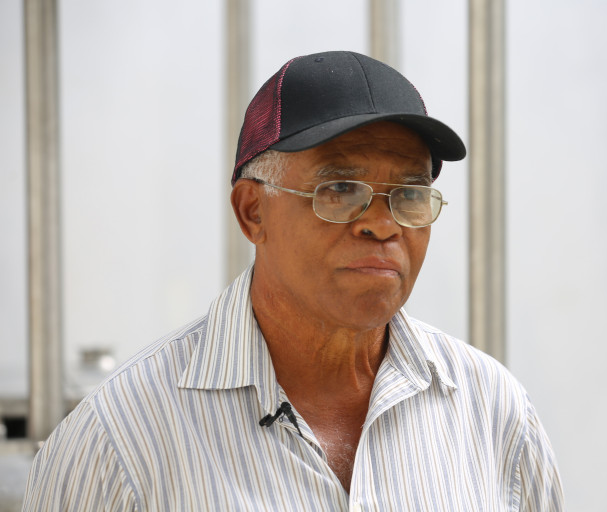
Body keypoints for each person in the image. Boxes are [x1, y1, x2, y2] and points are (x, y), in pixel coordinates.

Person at [23, 50, 563, 511]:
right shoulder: (121, 439)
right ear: (253, 212)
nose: (382, 224)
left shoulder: (491, 410)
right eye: (340, 188)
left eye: (409, 194)